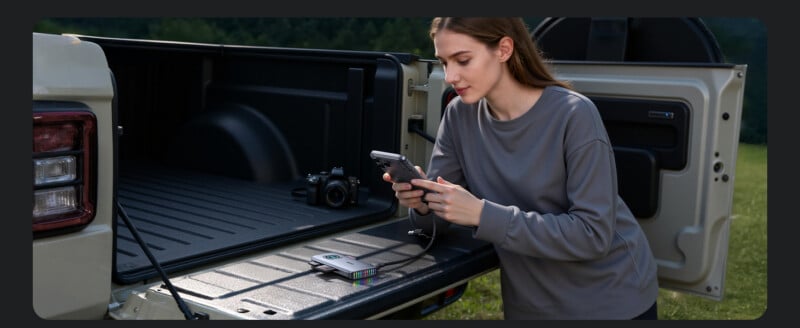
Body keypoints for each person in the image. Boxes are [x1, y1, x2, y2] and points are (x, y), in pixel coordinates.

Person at [382, 17, 659, 320]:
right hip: (528, 306)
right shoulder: (458, 116)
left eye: (463, 60)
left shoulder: (574, 115)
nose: (450, 76)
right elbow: (436, 224)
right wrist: (423, 203)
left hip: (610, 301)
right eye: (444, 62)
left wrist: (481, 213)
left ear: (503, 49)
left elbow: (592, 235)